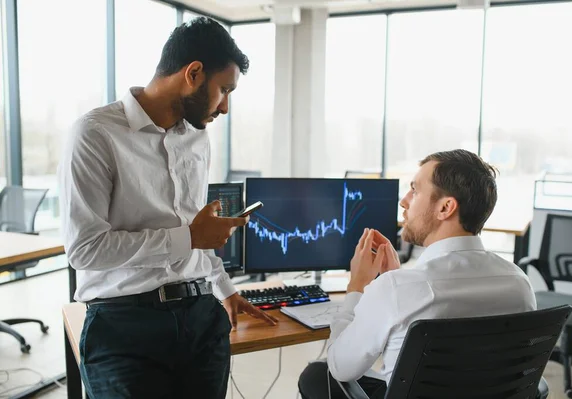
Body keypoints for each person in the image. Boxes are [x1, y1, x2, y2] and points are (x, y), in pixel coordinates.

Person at [58, 17, 277, 399]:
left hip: (202, 317)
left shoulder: (197, 138)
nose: (225, 107)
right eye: (223, 90)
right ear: (193, 73)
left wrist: (224, 289)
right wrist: (187, 238)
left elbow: (198, 232)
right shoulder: (95, 134)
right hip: (124, 325)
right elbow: (84, 250)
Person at [298, 149, 537, 399]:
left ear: (445, 207)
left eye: (415, 190)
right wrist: (395, 283)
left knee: (318, 374)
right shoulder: (519, 283)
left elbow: (340, 367)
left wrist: (357, 287)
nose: (404, 201)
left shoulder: (396, 290)